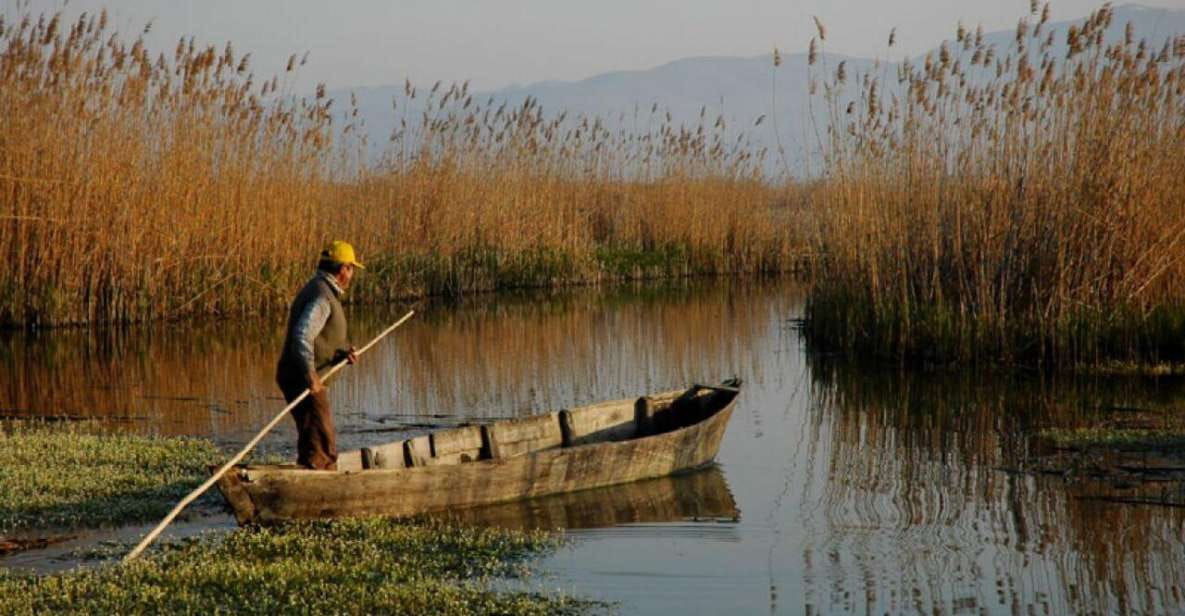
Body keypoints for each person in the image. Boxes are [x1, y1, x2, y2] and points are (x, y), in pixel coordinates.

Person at [276, 240, 364, 470]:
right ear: (343, 268)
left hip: (300, 376)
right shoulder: (323, 296)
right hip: (302, 379)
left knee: (313, 439)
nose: (352, 274)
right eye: (351, 268)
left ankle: (309, 473)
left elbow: (320, 338)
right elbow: (302, 336)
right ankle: (321, 485)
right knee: (322, 440)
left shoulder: (321, 289)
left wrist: (343, 353)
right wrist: (310, 375)